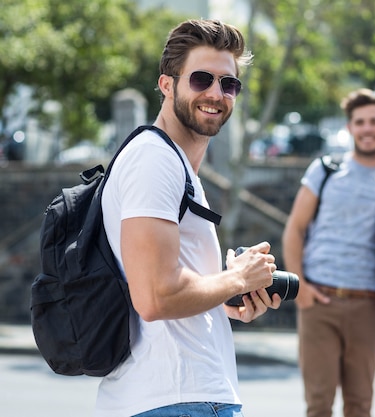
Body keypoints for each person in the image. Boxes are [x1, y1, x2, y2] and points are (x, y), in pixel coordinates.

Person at [98, 19, 282, 417]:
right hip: (178, 400)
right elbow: (154, 296)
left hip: (178, 397)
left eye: (229, 84)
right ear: (167, 85)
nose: (216, 93)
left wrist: (227, 299)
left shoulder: (175, 165)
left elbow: (167, 289)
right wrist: (239, 277)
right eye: (201, 79)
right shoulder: (155, 159)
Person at [282, 88, 375, 417]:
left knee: (360, 406)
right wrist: (300, 289)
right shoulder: (326, 169)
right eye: (360, 122)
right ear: (350, 128)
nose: (367, 128)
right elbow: (295, 229)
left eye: (374, 121)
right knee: (319, 405)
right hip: (320, 303)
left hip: (367, 304)